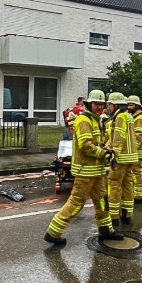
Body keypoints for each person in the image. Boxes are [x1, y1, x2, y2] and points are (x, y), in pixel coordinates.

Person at [44, 89, 122, 246]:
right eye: (96, 104)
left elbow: (98, 142)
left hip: (96, 171)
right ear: (89, 104)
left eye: (101, 104)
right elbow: (86, 146)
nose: (99, 107)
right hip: (85, 171)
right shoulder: (83, 120)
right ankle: (53, 233)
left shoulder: (95, 120)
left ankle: (105, 230)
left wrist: (107, 149)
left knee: (102, 200)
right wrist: (103, 154)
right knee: (76, 203)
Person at [105, 92, 137, 226]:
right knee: (128, 185)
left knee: (114, 185)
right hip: (131, 157)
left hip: (121, 157)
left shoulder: (119, 117)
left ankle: (113, 217)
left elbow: (119, 135)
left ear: (116, 105)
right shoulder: (128, 116)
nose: (108, 107)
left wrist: (114, 152)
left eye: (110, 104)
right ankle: (127, 215)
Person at [127, 95, 142, 203]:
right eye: (128, 105)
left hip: (136, 151)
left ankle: (139, 196)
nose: (129, 107)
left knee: (136, 173)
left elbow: (138, 135)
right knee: (134, 173)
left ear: (137, 106)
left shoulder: (139, 118)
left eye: (131, 105)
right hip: (136, 151)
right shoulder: (136, 116)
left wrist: (132, 149)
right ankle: (137, 193)